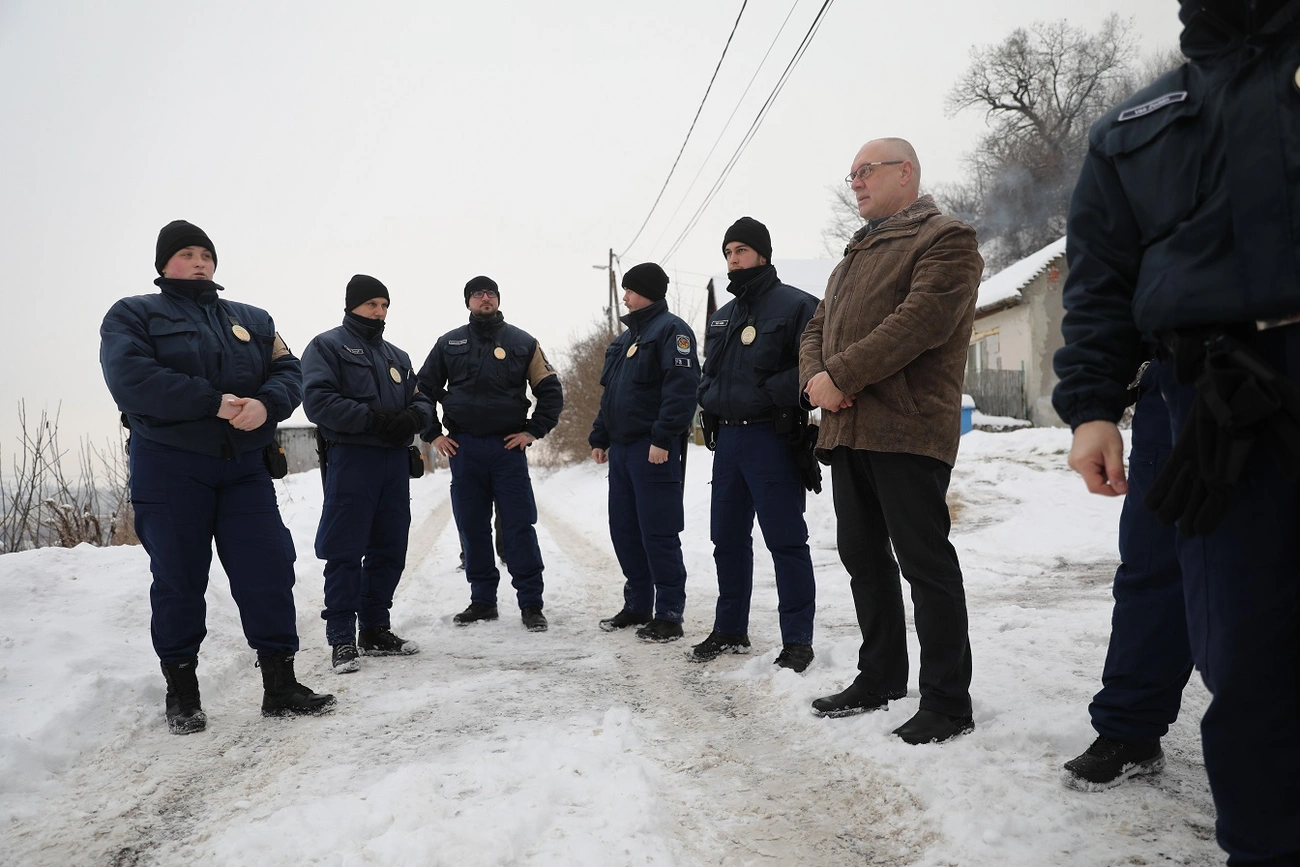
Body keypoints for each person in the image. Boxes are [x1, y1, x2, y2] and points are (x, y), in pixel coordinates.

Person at [1051, 4, 1300, 861]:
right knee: (1245, 645)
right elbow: (1099, 284)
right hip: (1207, 401)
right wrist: (1090, 405)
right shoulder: (1132, 128)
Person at [99, 220, 334, 735]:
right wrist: (216, 403)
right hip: (170, 466)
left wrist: (266, 405)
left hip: (245, 467)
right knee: (180, 578)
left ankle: (280, 684)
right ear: (164, 264)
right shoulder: (133, 314)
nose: (199, 261)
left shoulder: (252, 319)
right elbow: (131, 379)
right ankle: (182, 692)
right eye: (186, 253)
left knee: (268, 568)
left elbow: (289, 371)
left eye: (206, 253)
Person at [798, 139, 983, 743]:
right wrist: (815, 384)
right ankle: (879, 677)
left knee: (924, 565)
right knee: (863, 559)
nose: (854, 182)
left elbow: (921, 322)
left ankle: (948, 701)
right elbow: (816, 328)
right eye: (850, 174)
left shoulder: (946, 238)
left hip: (907, 428)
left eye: (865, 171)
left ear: (906, 172)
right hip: (849, 428)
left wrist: (840, 376)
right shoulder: (853, 254)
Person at [693, 217, 820, 672]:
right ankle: (730, 629)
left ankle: (798, 641)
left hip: (772, 436)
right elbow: (709, 372)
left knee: (786, 541)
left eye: (741, 251)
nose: (733, 259)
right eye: (728, 252)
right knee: (726, 539)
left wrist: (768, 392)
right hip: (728, 440)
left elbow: (816, 366)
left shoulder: (798, 306)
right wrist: (707, 396)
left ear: (763, 254)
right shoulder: (723, 315)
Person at [1061, 360, 1193, 790]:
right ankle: (1130, 732)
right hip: (1184, 384)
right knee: (1154, 570)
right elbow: (1104, 299)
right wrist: (1093, 408)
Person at [301, 275, 434, 674]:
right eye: (371, 304)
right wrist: (374, 420)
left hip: (393, 463)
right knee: (344, 549)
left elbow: (423, 399)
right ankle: (341, 637)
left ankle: (375, 628)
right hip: (352, 460)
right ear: (352, 305)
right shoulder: (326, 346)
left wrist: (413, 417)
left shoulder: (398, 356)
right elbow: (319, 401)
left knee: (389, 547)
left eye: (384, 305)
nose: (379, 312)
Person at [418, 276, 563, 632]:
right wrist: (433, 434)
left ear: (498, 299)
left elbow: (550, 391)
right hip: (464, 448)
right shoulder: (448, 343)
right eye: (478, 294)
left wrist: (532, 431)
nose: (485, 298)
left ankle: (531, 604)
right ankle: (482, 601)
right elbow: (421, 390)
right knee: (472, 527)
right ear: (468, 302)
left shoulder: (523, 342)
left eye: (491, 293)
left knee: (519, 526)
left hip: (506, 449)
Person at [589, 263, 700, 642]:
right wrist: (599, 437)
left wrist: (663, 438)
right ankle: (637, 604)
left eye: (630, 290)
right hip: (621, 451)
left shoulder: (672, 331)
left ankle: (669, 613)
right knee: (625, 529)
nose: (625, 297)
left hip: (652, 450)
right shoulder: (623, 341)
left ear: (648, 291)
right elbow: (611, 395)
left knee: (659, 531)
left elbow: (682, 388)